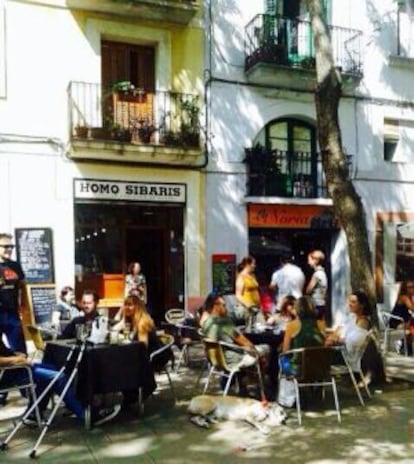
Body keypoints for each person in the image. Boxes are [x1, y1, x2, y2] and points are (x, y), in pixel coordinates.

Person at [0, 332, 120, 426]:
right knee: (58, 377)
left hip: (17, 367)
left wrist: (16, 355)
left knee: (53, 368)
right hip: (11, 372)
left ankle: (34, 413)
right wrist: (15, 360)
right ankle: (84, 414)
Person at [201, 292, 269, 395]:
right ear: (216, 306)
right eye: (224, 305)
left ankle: (241, 384)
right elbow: (244, 342)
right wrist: (257, 353)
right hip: (233, 359)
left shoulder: (207, 323)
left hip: (217, 360)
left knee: (253, 353)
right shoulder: (224, 323)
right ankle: (261, 388)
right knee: (266, 348)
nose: (226, 308)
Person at [325, 291, 386, 385]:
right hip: (339, 350)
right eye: (349, 301)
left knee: (315, 355)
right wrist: (332, 338)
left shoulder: (363, 322)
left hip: (346, 356)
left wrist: (336, 340)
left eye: (353, 302)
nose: (350, 304)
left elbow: (353, 342)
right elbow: (337, 331)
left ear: (362, 305)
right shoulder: (350, 317)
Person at [0, 233, 27, 354]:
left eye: (12, 246)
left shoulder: (15, 266)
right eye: (6, 246)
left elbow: (22, 287)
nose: (10, 249)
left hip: (12, 314)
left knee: (20, 351)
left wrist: (24, 309)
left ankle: (21, 372)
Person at [235, 256, 266, 327]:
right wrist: (248, 305)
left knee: (260, 327)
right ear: (248, 264)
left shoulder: (252, 276)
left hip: (256, 307)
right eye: (253, 264)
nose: (255, 266)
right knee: (259, 326)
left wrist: (260, 305)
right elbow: (238, 295)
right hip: (249, 308)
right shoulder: (241, 277)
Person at [389, 281, 414, 356]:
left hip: (404, 322)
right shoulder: (404, 297)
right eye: (410, 287)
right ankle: (406, 346)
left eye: (413, 287)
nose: (412, 289)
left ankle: (406, 346)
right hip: (397, 322)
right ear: (405, 288)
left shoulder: (409, 297)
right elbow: (412, 308)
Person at [305, 250, 328, 328]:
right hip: (321, 303)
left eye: (309, 260)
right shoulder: (322, 273)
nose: (308, 262)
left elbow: (308, 290)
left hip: (316, 304)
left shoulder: (317, 275)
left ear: (315, 260)